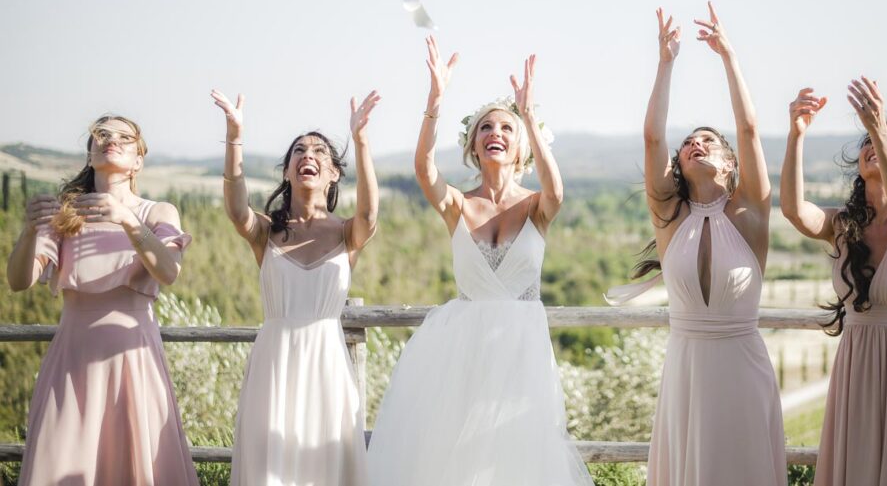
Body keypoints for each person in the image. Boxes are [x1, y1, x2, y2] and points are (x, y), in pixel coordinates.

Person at [367, 36, 592, 486]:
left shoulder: (537, 206)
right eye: (486, 128)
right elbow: (424, 170)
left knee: (517, 460)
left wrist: (527, 113)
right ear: (473, 145)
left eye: (506, 128)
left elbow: (557, 190)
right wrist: (435, 97)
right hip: (462, 352)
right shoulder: (457, 204)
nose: (495, 134)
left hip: (521, 351)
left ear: (522, 147)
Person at [608, 4, 785, 486]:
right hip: (686, 372)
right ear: (679, 166)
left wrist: (728, 55)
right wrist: (665, 63)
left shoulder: (751, 214)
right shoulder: (670, 218)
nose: (696, 144)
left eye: (708, 140)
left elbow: (749, 129)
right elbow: (652, 138)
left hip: (743, 370)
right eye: (689, 142)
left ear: (730, 164)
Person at [7, 115, 199, 486]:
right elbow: (19, 281)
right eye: (103, 134)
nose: (112, 139)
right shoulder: (64, 215)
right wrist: (29, 232)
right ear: (90, 153)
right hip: (72, 361)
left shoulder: (157, 212)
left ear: (138, 161)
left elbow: (169, 271)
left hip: (134, 360)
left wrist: (127, 220)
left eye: (125, 137)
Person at [780, 80, 887, 486]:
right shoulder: (842, 225)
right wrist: (796, 135)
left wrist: (876, 124)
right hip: (856, 370)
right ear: (859, 165)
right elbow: (794, 211)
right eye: (868, 141)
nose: (873, 143)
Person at [211, 89, 380, 486]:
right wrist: (234, 137)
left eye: (320, 151)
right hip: (275, 363)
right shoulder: (266, 231)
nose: (309, 155)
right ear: (287, 171)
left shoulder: (347, 234)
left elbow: (370, 213)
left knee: (326, 466)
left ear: (334, 173)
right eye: (299, 151)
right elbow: (236, 209)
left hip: (327, 364)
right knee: (270, 465)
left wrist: (361, 141)